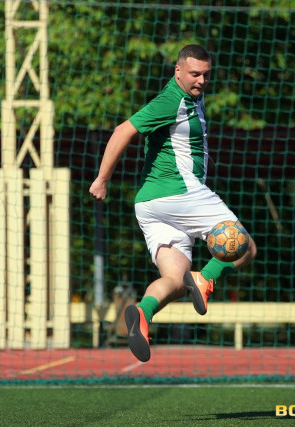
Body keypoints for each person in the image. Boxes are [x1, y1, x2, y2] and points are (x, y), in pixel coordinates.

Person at [89, 44, 257, 362]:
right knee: (245, 247)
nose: (201, 80)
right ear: (177, 71)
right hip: (179, 193)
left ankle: (143, 313)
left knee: (175, 281)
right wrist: (102, 179)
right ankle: (205, 278)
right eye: (194, 74)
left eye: (206, 75)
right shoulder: (171, 101)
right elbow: (123, 130)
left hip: (150, 206)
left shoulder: (192, 95)